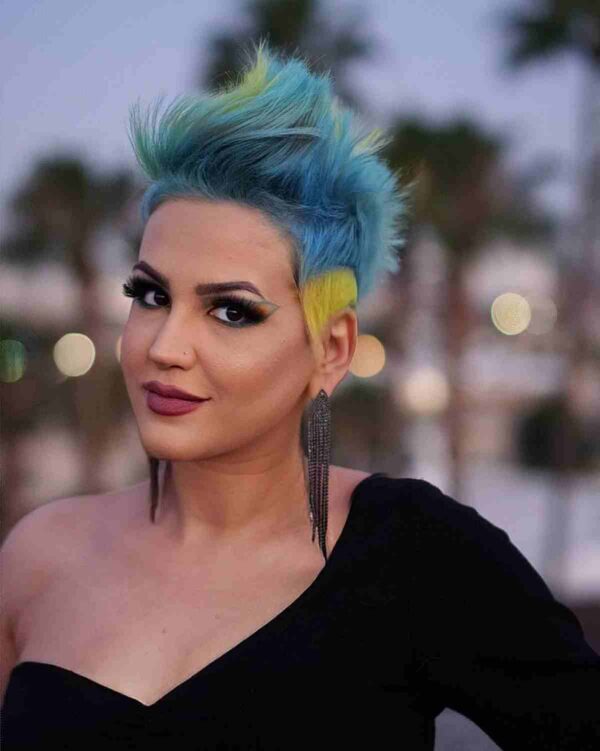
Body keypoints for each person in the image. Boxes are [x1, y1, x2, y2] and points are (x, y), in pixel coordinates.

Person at [1, 40, 599, 751]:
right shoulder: (39, 555)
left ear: (331, 349)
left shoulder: (416, 553)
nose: (165, 346)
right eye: (151, 295)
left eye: (231, 311)